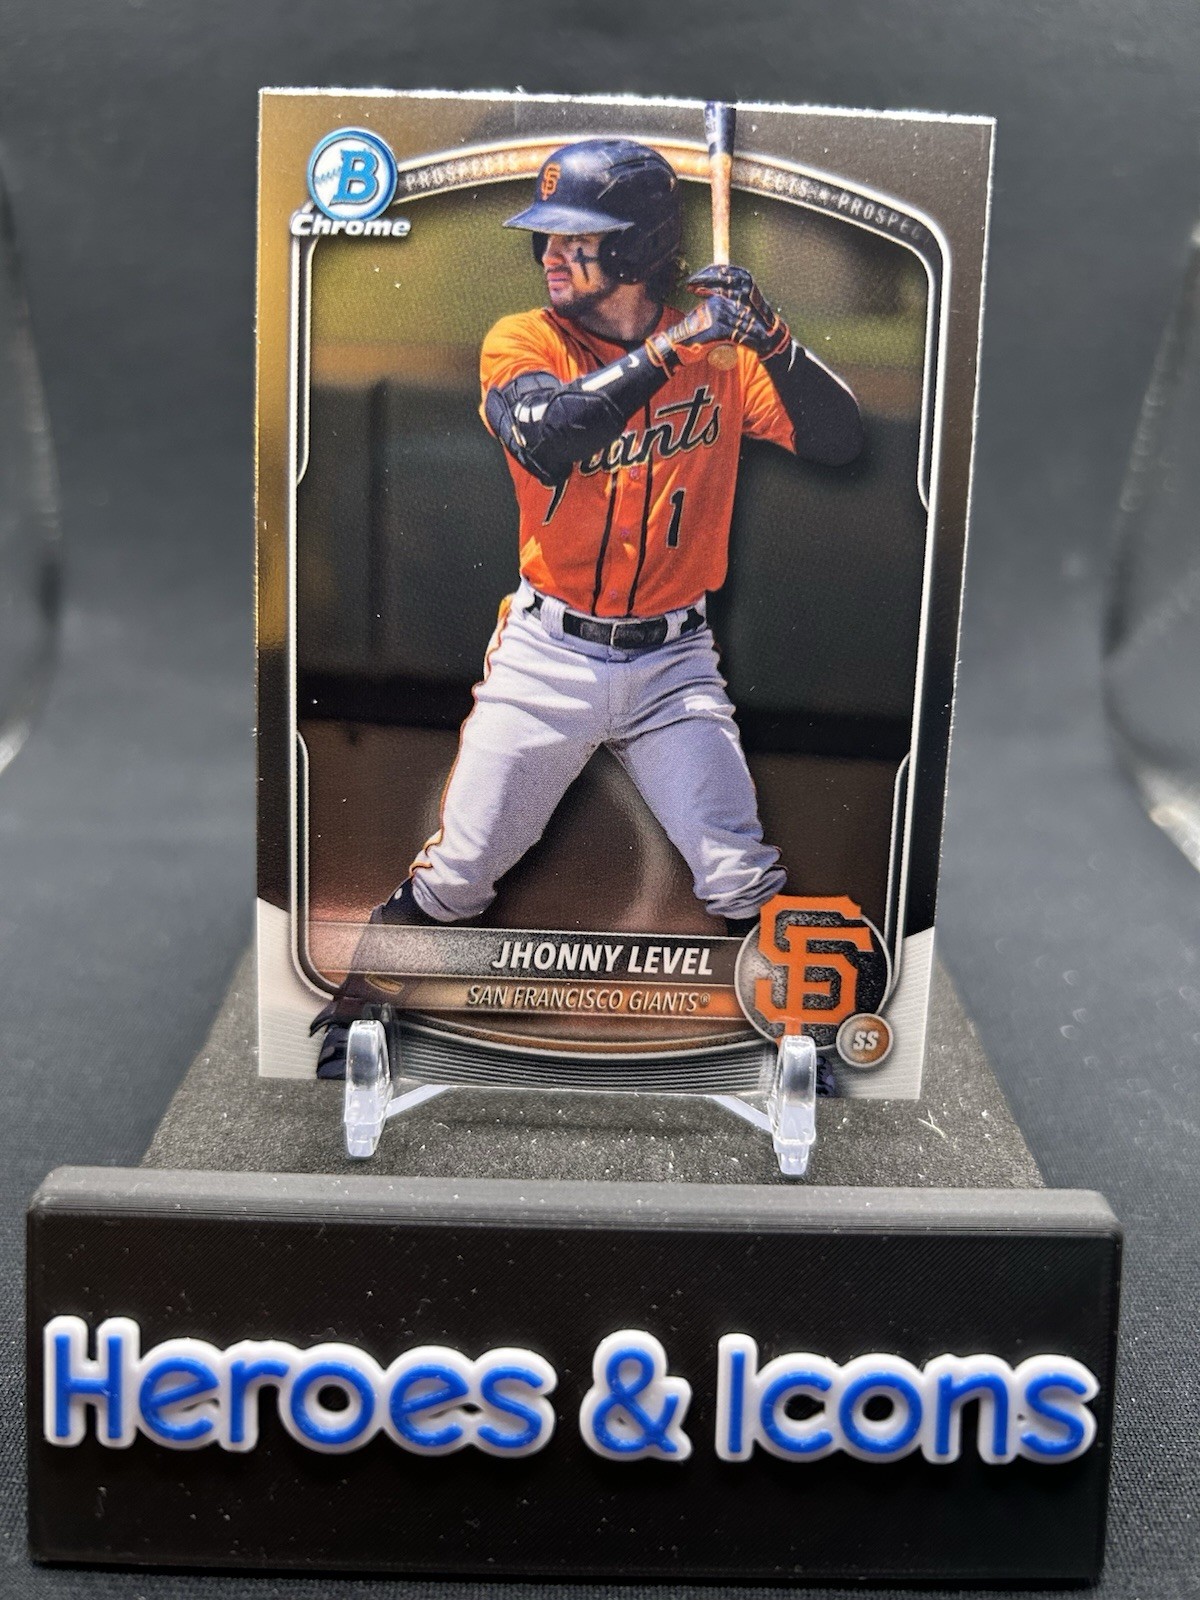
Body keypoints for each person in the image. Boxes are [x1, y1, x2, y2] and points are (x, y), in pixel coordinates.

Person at [313, 136, 863, 1076]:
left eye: (580, 239)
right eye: (548, 237)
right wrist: (674, 344)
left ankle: (811, 1037)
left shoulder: (724, 357)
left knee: (739, 869)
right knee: (459, 874)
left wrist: (773, 338)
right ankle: (351, 1017)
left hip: (673, 663)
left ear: (640, 248)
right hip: (549, 657)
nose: (552, 255)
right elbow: (546, 434)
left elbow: (840, 438)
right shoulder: (524, 340)